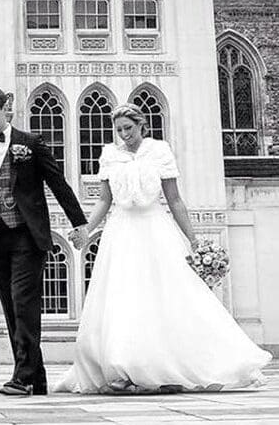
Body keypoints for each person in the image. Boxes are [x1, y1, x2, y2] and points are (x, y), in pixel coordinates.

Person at [56, 103, 272, 394]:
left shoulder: (159, 151)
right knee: (122, 299)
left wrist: (194, 240)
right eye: (119, 130)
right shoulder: (109, 155)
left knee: (166, 296)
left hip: (154, 230)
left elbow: (175, 200)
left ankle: (168, 363)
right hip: (120, 233)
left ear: (141, 125)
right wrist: (86, 229)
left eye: (129, 128)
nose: (124, 135)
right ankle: (122, 365)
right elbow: (105, 201)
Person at [0, 85, 88, 396]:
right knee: (10, 308)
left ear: (7, 110)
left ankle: (22, 377)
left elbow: (58, 184)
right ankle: (38, 377)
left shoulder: (30, 144)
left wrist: (80, 223)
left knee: (24, 305)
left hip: (26, 236)